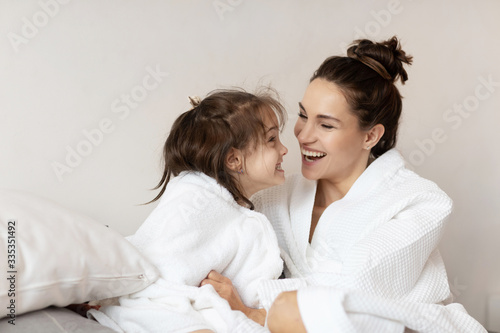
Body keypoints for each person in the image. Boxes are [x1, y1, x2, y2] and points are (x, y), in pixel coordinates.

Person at [201, 37, 487, 332]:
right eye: (302, 115)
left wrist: (253, 308)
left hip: (399, 328)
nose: (303, 135)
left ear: (370, 136)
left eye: (326, 125)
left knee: (288, 310)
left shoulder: (419, 201)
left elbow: (354, 287)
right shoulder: (274, 197)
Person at [88, 89, 288, 333]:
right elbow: (157, 274)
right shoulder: (198, 199)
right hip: (159, 306)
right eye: (272, 140)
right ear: (234, 160)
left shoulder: (234, 209)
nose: (284, 149)